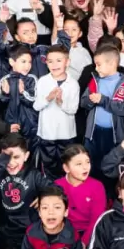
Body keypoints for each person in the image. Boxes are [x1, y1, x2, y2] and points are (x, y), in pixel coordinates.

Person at [0, 133, 52, 249]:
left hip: (27, 232)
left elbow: (56, 190)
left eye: (16, 157)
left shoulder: (34, 175)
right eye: (6, 158)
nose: (11, 162)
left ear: (26, 156)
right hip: (3, 231)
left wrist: (44, 197)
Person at [81, 45, 124, 181]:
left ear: (112, 64)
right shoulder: (95, 81)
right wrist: (91, 101)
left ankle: (109, 198)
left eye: (98, 65)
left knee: (110, 168)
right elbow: (83, 103)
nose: (96, 68)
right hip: (93, 133)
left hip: (113, 135)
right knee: (91, 167)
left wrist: (103, 100)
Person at [34, 44, 80, 177]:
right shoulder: (43, 81)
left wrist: (61, 102)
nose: (54, 64)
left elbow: (73, 109)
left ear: (67, 62)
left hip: (66, 134)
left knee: (65, 165)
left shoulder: (73, 84)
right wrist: (48, 98)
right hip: (47, 134)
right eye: (50, 61)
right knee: (48, 166)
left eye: (59, 60)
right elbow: (36, 106)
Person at [54, 145, 106, 247]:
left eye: (87, 162)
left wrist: (84, 242)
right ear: (66, 168)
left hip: (90, 233)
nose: (85, 167)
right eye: (78, 164)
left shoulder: (97, 186)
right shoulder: (57, 185)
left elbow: (97, 219)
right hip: (64, 233)